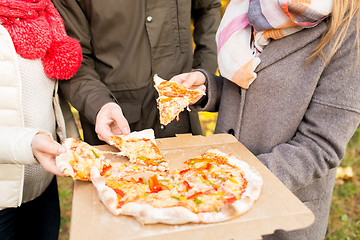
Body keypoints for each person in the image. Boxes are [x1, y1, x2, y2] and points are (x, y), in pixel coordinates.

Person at [170, 0, 360, 239]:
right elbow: (250, 87)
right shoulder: (253, 8)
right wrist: (208, 88)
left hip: (280, 211)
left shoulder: (349, 29)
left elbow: (321, 146)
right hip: (219, 196)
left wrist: (237, 178)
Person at [51, 0, 221, 145]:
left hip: (182, 123)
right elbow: (71, 58)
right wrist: (99, 105)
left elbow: (207, 8)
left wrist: (203, 70)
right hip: (116, 131)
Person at [0, 0, 82, 239]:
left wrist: (75, 148)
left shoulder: (45, 16)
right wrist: (29, 143)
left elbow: (52, 100)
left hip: (43, 185)